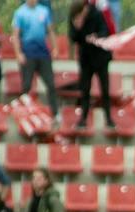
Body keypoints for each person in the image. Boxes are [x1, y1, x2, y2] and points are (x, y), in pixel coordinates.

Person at [69, 0, 112, 130]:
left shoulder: (97, 14)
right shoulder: (74, 18)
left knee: (104, 89)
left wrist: (96, 36)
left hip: (100, 57)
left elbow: (106, 31)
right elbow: (73, 37)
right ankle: (83, 118)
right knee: (85, 89)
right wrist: (77, 27)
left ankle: (109, 118)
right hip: (85, 58)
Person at [13, 0, 59, 113]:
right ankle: (24, 114)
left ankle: (55, 113)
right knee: (26, 86)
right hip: (28, 53)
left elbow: (50, 31)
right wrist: (18, 53)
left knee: (51, 85)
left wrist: (55, 48)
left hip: (43, 53)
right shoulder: (20, 12)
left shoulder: (44, 11)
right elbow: (16, 35)